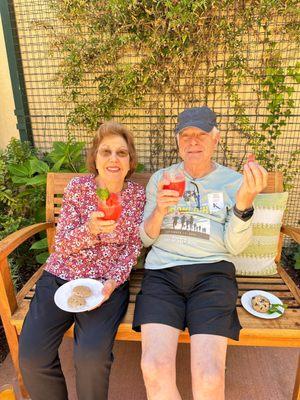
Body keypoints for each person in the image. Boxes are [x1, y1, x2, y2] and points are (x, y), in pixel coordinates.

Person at [133, 106, 268, 400]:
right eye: (186, 135)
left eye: (201, 135)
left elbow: (235, 247)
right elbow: (145, 238)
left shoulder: (234, 182)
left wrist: (244, 203)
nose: (193, 141)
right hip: (163, 274)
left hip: (213, 274)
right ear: (178, 142)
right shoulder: (162, 178)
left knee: (209, 375)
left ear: (215, 139)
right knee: (153, 366)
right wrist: (159, 210)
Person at [19, 121, 146, 400]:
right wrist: (88, 230)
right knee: (32, 356)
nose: (113, 159)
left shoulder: (137, 196)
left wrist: (114, 280)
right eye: (106, 152)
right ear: (95, 158)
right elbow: (62, 245)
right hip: (61, 276)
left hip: (105, 285)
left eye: (121, 153)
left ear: (130, 160)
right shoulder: (79, 187)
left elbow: (132, 247)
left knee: (91, 358)